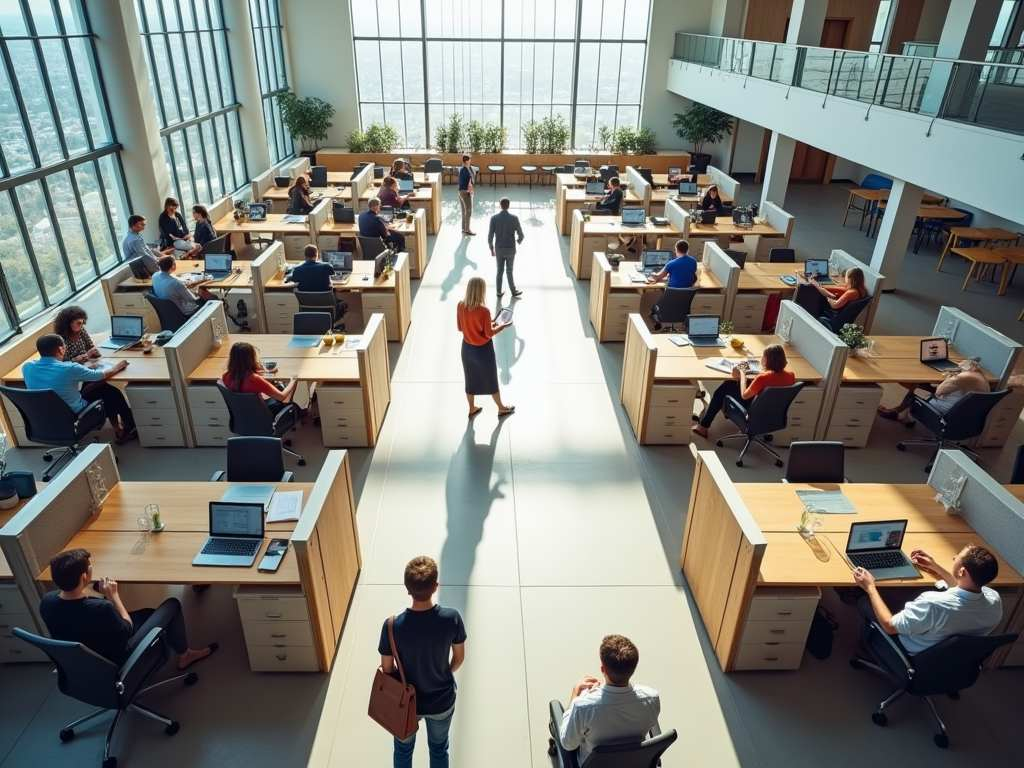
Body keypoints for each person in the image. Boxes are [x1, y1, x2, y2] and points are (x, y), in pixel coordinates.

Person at [39, 548, 216, 669]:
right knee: (172, 605)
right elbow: (128, 628)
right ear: (85, 576)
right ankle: (185, 655)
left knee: (148, 613)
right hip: (120, 658)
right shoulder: (101, 608)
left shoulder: (47, 602)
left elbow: (77, 612)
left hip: (86, 663)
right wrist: (113, 595)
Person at [378, 556, 466, 768]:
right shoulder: (451, 618)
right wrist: (445, 671)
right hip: (442, 701)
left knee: (402, 750)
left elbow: (387, 668)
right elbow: (459, 657)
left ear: (408, 589)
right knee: (438, 748)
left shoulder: (392, 626)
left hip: (406, 704)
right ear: (435, 586)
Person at [853, 544, 1002, 655]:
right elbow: (964, 587)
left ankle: (868, 647)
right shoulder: (994, 600)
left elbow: (889, 627)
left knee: (864, 601)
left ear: (962, 571)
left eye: (958, 557)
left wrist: (870, 587)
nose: (954, 557)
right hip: (946, 658)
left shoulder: (933, 603)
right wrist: (935, 566)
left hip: (913, 654)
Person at [549, 634, 661, 765]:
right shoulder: (652, 698)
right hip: (633, 763)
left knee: (556, 707)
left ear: (603, 669)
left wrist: (575, 696)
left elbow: (568, 744)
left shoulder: (583, 706)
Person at [23, 333, 137, 443]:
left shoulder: (27, 367)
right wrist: (118, 366)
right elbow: (101, 375)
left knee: (92, 386)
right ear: (60, 349)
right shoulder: (70, 368)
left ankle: (119, 429)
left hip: (45, 415)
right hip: (74, 414)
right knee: (111, 393)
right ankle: (128, 429)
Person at [692, 344, 796, 438]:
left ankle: (703, 427)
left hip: (754, 411)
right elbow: (775, 381)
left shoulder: (762, 378)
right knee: (730, 386)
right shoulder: (791, 376)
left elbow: (744, 396)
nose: (762, 359)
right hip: (774, 413)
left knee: (726, 387)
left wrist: (743, 376)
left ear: (767, 360)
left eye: (763, 357)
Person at [457, 277, 514, 418]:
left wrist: (491, 323)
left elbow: (460, 327)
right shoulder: (484, 311)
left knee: (470, 380)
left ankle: (471, 408)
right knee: (491, 379)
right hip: (483, 352)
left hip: (467, 349)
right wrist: (502, 326)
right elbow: (488, 334)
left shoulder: (460, 305)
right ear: (481, 291)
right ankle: (501, 408)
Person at [878, 358, 990, 426]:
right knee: (920, 386)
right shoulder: (980, 377)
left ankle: (900, 414)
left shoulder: (963, 377)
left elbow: (938, 392)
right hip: (969, 417)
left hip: (946, 413)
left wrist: (951, 377)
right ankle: (902, 414)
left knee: (914, 395)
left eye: (959, 367)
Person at [221, 341, 297, 417]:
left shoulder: (226, 376)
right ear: (250, 359)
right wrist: (293, 380)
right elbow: (282, 397)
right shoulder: (255, 379)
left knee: (277, 388)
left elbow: (242, 375)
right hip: (263, 415)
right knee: (286, 394)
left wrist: (266, 372)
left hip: (242, 415)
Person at [488, 197, 525, 299]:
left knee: (499, 271)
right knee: (509, 271)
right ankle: (513, 291)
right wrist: (518, 241)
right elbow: (521, 235)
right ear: (508, 206)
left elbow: (490, 235)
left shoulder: (494, 218)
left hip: (499, 249)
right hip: (510, 249)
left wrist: (491, 248)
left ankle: (499, 292)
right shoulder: (514, 218)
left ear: (500, 205)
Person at [803, 266, 868, 315]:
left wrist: (828, 297)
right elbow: (841, 289)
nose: (845, 278)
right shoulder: (862, 290)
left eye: (846, 276)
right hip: (842, 311)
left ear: (851, 279)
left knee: (819, 294)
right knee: (826, 292)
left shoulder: (851, 293)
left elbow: (834, 305)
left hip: (835, 312)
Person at [458, 154, 475, 235]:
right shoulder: (466, 170)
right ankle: (467, 230)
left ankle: (463, 228)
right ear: (467, 161)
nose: (470, 161)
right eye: (469, 160)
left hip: (461, 192)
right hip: (465, 193)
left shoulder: (462, 169)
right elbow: (470, 182)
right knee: (468, 211)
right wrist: (470, 191)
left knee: (464, 211)